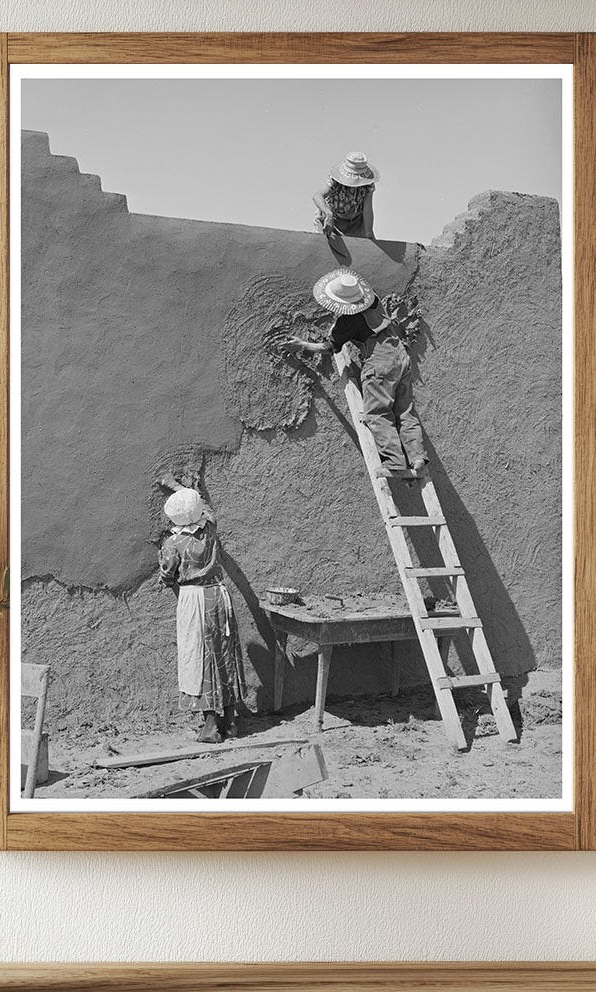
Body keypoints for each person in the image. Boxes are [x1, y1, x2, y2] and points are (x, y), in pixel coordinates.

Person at [279, 270, 427, 479]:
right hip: (399, 355)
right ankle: (417, 457)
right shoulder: (373, 298)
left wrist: (302, 345)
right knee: (404, 411)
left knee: (377, 412)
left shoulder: (347, 322)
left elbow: (330, 347)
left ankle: (395, 463)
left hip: (380, 364)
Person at [157, 476, 245, 743]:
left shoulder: (173, 544)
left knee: (199, 658)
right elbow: (204, 507)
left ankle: (210, 726)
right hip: (219, 595)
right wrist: (180, 486)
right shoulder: (210, 529)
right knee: (224, 654)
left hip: (193, 599)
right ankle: (229, 722)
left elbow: (167, 576)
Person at [312, 151, 379, 242]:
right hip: (332, 220)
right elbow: (317, 196)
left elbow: (367, 209)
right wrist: (328, 213)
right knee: (324, 249)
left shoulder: (368, 184)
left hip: (355, 223)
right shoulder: (335, 181)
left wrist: (369, 233)